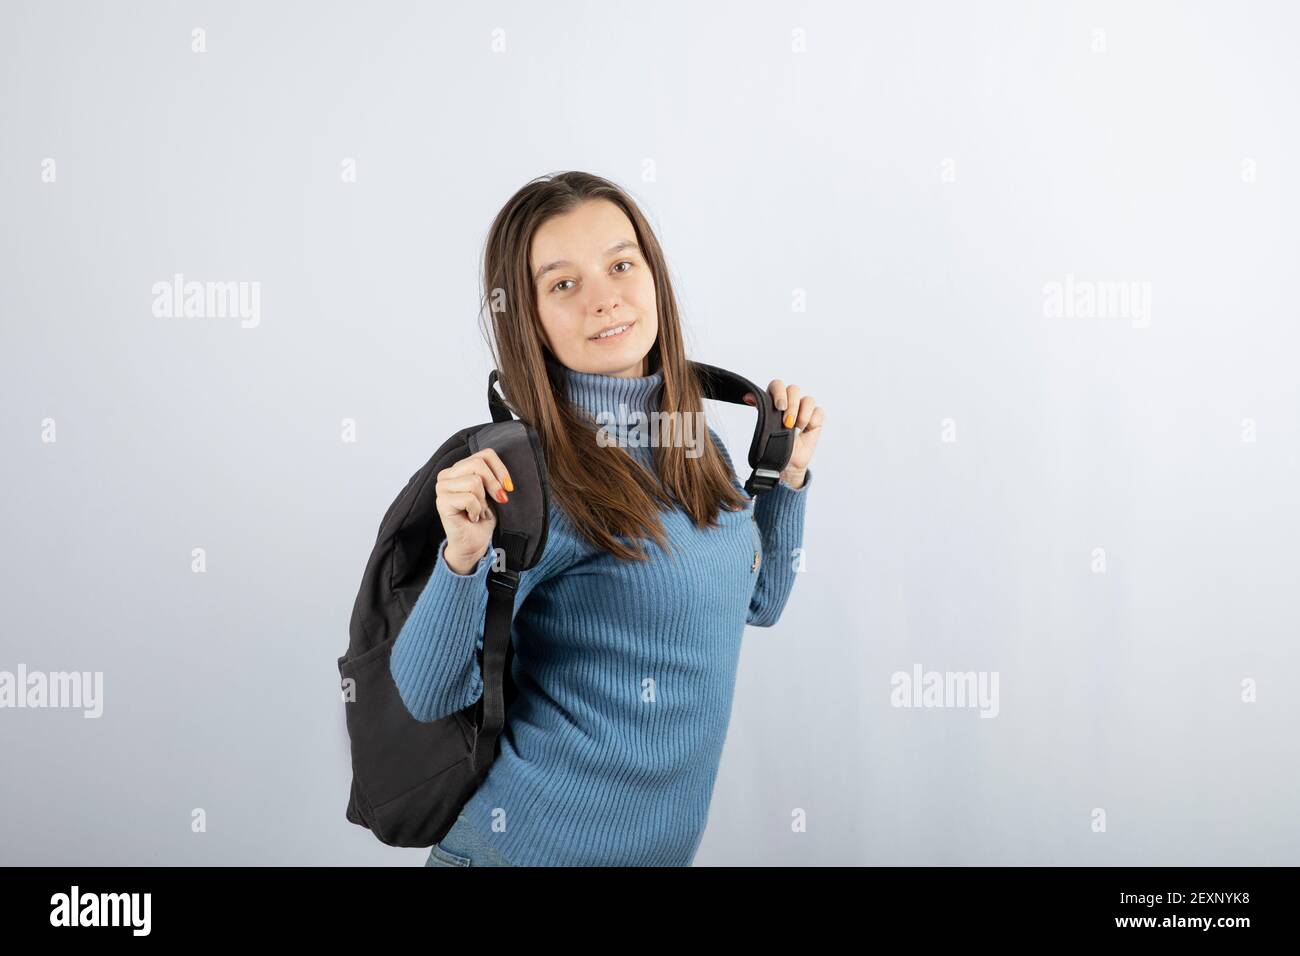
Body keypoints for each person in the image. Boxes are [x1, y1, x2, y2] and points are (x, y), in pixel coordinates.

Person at [391, 171, 825, 866]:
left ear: (653, 277)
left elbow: (758, 601)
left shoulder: (697, 445)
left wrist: (787, 478)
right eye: (564, 283)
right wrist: (462, 556)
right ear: (529, 318)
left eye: (621, 265)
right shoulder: (532, 477)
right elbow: (429, 691)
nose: (604, 298)